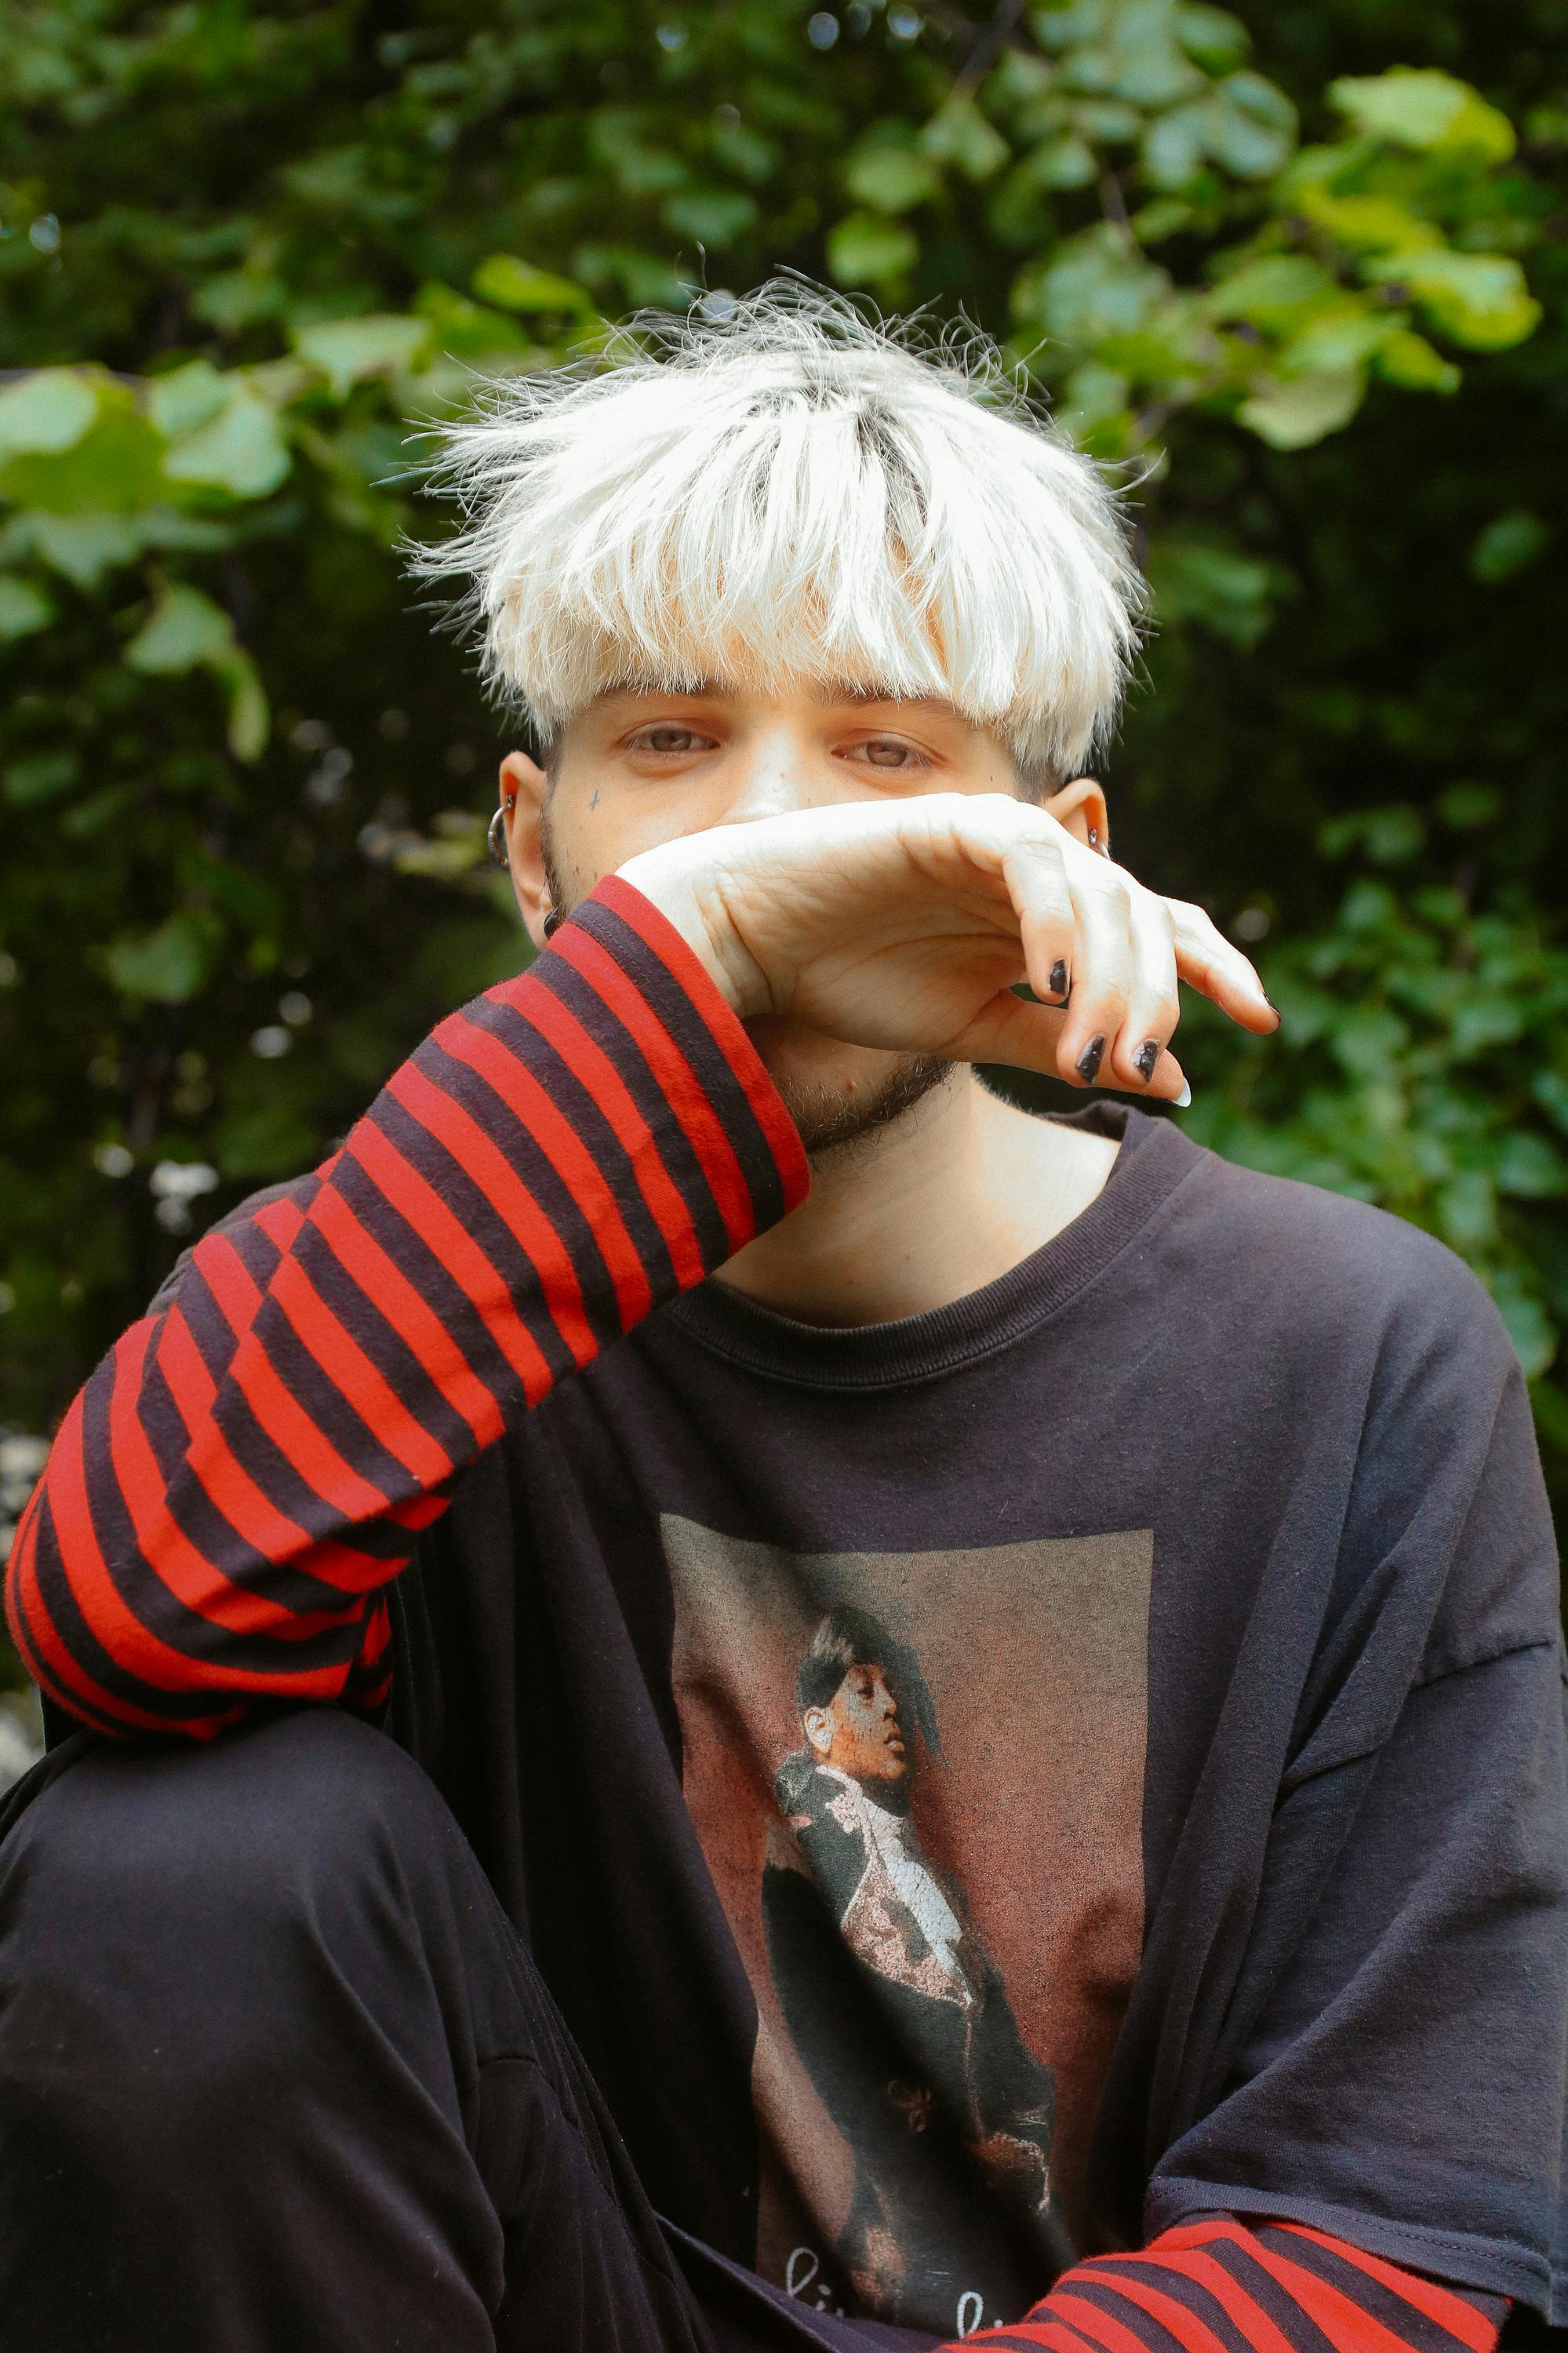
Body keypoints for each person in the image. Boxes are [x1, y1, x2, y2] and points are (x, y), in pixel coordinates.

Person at [1, 288, 1563, 2353]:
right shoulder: (399, 1288)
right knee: (172, 1861)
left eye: (884, 751)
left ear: (1052, 863)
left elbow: (1393, 2221)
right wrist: (694, 969)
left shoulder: (1347, 1353)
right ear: (534, 854)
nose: (773, 831)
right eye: (669, 742)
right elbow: (118, 1634)